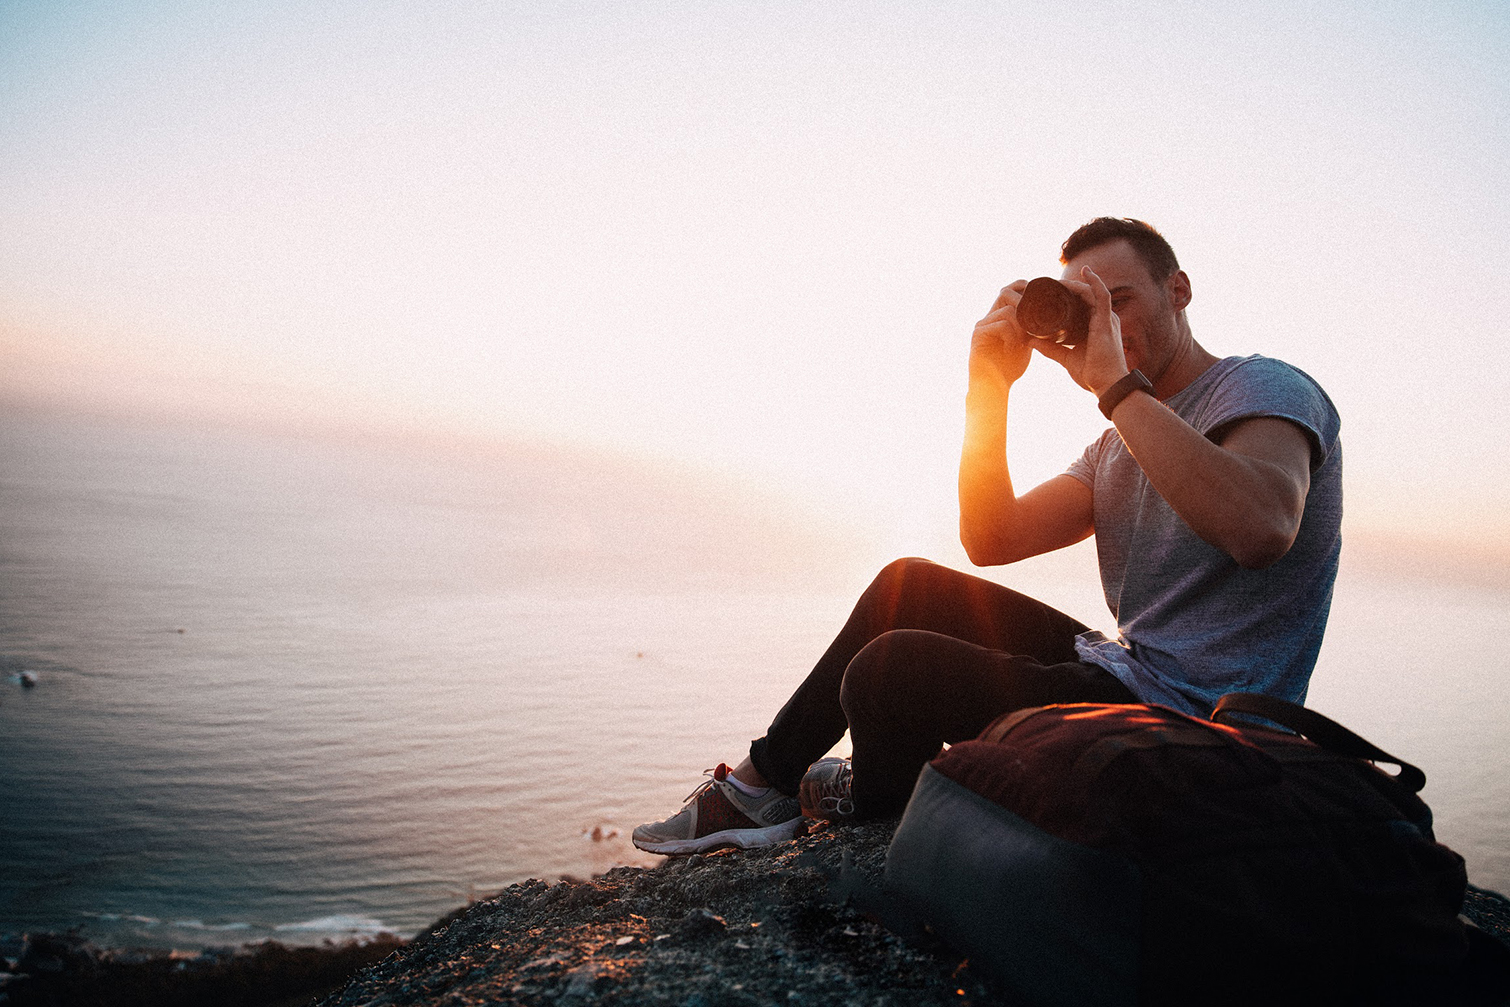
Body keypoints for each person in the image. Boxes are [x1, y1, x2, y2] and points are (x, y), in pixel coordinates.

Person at [632, 217, 1343, 856]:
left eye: (1118, 300)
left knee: (888, 672)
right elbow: (991, 536)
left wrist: (1117, 387)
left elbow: (1262, 526)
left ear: (1178, 290)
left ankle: (874, 799)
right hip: (1126, 675)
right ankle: (765, 786)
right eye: (1085, 308)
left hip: (1204, 728)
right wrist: (989, 386)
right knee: (907, 585)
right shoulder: (1114, 447)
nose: (1107, 323)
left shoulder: (1263, 387)